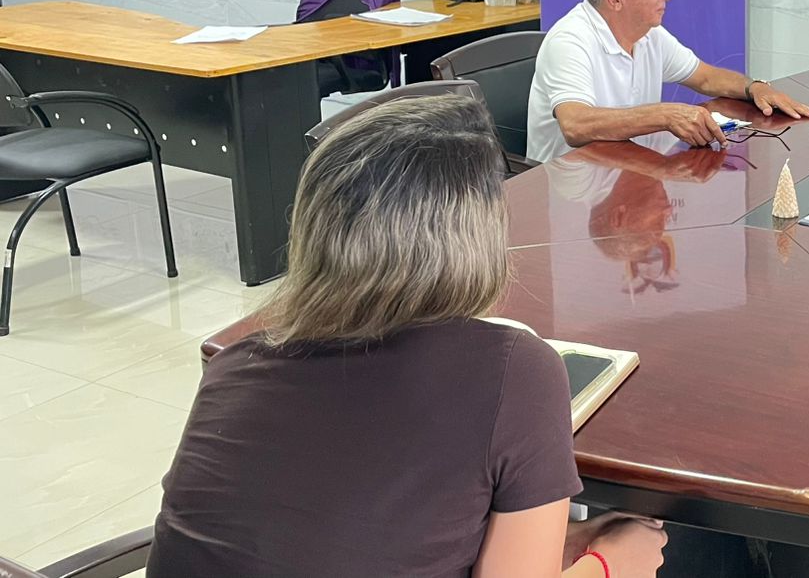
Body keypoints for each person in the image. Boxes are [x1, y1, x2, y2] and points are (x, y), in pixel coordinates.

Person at [147, 96, 668, 578]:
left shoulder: (234, 364)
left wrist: (552, 542)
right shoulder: (515, 372)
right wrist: (611, 563)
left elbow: (333, 533)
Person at [527, 0, 809, 162]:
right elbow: (575, 125)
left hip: (627, 170)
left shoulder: (650, 34)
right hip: (568, 190)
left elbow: (706, 77)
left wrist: (755, 88)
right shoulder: (570, 40)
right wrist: (665, 115)